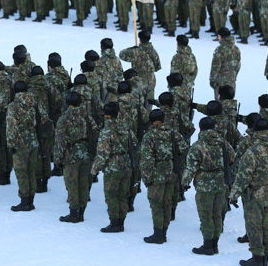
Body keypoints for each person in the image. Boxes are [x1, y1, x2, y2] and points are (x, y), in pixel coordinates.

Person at [229, 119, 268, 266]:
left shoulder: (252, 152)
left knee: (254, 226)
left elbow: (243, 177)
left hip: (254, 195)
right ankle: (266, 257)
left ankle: (257, 258)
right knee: (267, 225)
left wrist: (234, 194)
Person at [182, 117, 235, 255]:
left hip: (204, 185)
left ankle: (207, 245)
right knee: (217, 215)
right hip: (221, 183)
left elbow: (191, 167)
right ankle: (215, 244)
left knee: (206, 216)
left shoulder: (198, 145)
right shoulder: (224, 143)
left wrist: (184, 182)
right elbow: (232, 159)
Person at [140, 109, 188, 244]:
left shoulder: (149, 136)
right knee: (167, 203)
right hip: (171, 172)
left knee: (156, 204)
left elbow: (147, 159)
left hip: (156, 174)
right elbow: (184, 150)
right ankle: (164, 232)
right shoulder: (174, 133)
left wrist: (146, 177)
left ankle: (158, 234)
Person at [54, 92, 100, 223]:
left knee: (72, 185)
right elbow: (96, 133)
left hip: (70, 155)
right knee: (84, 183)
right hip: (86, 154)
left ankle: (74, 213)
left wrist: (58, 159)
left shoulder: (64, 119)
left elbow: (60, 141)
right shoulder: (87, 117)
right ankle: (82, 211)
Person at [91, 102, 134, 233]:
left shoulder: (106, 131)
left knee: (111, 195)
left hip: (112, 167)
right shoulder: (126, 129)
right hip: (126, 165)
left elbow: (103, 153)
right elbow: (135, 145)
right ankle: (121, 221)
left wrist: (95, 170)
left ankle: (114, 222)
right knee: (123, 195)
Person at [6, 81, 50, 211]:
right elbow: (45, 118)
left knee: (21, 172)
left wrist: (11, 143)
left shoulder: (13, 106)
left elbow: (11, 127)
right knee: (31, 171)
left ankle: (24, 200)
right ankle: (31, 199)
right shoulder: (34, 103)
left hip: (19, 143)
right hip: (33, 141)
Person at [210, 28, 241, 99]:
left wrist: (212, 79)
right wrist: (233, 74)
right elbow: (238, 65)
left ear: (221, 36)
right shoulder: (236, 48)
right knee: (229, 101)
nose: (218, 38)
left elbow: (215, 66)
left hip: (221, 80)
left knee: (219, 103)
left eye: (218, 36)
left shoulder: (220, 49)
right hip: (232, 78)